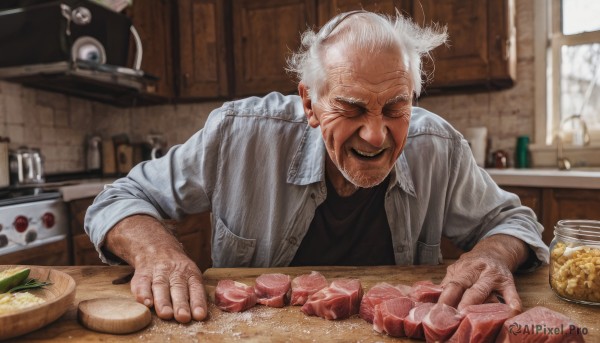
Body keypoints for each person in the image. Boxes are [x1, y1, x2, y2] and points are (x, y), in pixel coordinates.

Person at [85, 10, 549, 324]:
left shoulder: (438, 146)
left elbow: (513, 221)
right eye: (351, 109)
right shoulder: (239, 133)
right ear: (310, 102)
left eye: (395, 108)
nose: (375, 134)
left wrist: (490, 254)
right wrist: (157, 252)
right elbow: (118, 199)